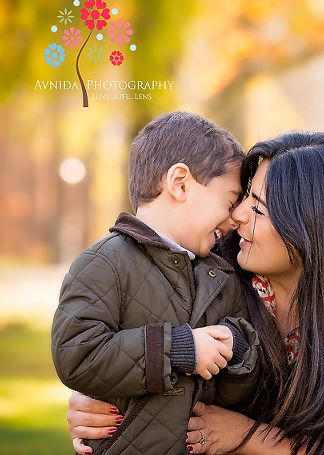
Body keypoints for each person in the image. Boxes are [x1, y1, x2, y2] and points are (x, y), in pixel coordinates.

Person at [67, 131, 324, 455]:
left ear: (320, 231)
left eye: (260, 208)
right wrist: (105, 403)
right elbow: (133, 352)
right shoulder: (212, 282)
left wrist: (245, 436)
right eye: (244, 197)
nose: (237, 216)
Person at [52, 111, 260, 455]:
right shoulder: (105, 263)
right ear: (180, 183)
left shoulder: (221, 278)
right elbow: (76, 353)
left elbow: (235, 396)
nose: (234, 219)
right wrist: (179, 349)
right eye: (229, 201)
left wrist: (236, 350)